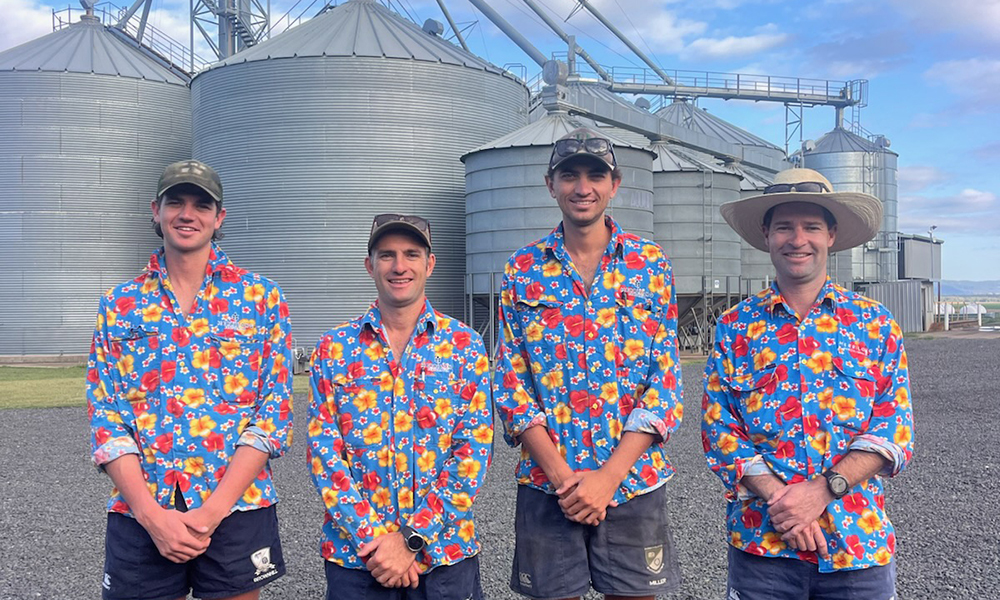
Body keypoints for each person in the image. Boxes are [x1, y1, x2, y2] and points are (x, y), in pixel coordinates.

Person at [702, 167, 915, 599]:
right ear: (766, 234)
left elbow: (895, 429)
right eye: (784, 226)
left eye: (811, 227)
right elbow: (719, 430)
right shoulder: (735, 328)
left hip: (857, 549)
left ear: (831, 235)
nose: (797, 239)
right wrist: (785, 504)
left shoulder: (874, 324)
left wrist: (820, 492)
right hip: (763, 550)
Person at [86, 159, 293, 600]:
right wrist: (150, 515)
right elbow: (106, 417)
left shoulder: (261, 298)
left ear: (219, 218)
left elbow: (273, 412)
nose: (187, 214)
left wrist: (212, 512)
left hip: (236, 507)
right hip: (142, 509)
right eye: (175, 202)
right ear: (155, 211)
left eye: (202, 205)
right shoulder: (119, 305)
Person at [493, 127, 684, 600]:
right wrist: (564, 479)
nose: (583, 188)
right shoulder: (522, 269)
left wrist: (608, 478)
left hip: (632, 483)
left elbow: (664, 380)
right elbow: (511, 382)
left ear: (614, 184)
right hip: (548, 487)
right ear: (550, 185)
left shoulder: (650, 264)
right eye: (569, 176)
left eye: (595, 175)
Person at [307, 214, 493, 600]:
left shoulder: (464, 346)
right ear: (369, 265)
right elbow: (324, 454)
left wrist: (411, 539)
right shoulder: (334, 349)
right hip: (360, 559)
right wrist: (377, 543)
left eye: (411, 254)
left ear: (430, 263)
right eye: (386, 255)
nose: (399, 266)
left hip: (443, 557)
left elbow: (473, 453)